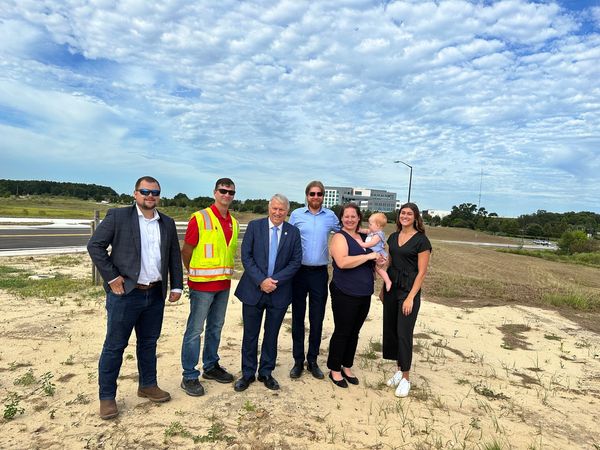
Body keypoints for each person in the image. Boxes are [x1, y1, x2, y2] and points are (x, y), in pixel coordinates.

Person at [87, 176, 183, 420]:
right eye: (145, 191)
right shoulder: (118, 217)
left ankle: (147, 385)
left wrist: (177, 286)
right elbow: (95, 246)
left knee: (149, 343)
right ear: (135, 193)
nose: (150, 196)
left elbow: (173, 256)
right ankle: (107, 397)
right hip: (125, 295)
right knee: (115, 346)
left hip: (155, 293)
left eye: (155, 192)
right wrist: (112, 277)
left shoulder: (167, 223)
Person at [233, 194, 302, 392]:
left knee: (271, 335)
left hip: (279, 292)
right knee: (250, 334)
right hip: (254, 290)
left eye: (282, 209)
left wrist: (274, 281)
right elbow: (245, 256)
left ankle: (266, 372)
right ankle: (247, 373)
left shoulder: (293, 232)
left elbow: (295, 262)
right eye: (275, 208)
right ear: (268, 208)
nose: (278, 212)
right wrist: (261, 281)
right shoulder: (255, 227)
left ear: (287, 211)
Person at [180, 178, 239, 396]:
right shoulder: (200, 218)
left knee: (216, 327)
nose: (227, 195)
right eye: (223, 191)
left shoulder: (233, 222)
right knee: (195, 330)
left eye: (231, 192)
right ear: (215, 192)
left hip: (223, 284)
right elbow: (186, 250)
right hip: (202, 285)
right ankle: (189, 375)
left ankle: (211, 366)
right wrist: (192, 272)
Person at [288, 181, 339, 380]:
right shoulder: (297, 215)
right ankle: (298, 361)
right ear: (306, 195)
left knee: (316, 318)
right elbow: (287, 239)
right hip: (299, 273)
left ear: (323, 196)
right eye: (312, 194)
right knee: (298, 318)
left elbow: (346, 232)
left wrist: (371, 237)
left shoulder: (331, 216)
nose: (315, 197)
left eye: (319, 194)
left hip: (319, 273)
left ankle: (313, 360)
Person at [381, 202, 432, 398]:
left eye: (409, 214)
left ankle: (406, 379)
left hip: (408, 291)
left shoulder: (421, 241)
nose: (405, 216)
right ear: (399, 216)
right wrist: (384, 287)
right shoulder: (393, 237)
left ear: (416, 217)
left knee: (404, 333)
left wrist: (411, 297)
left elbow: (422, 272)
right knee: (392, 331)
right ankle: (398, 370)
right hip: (393, 288)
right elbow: (390, 262)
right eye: (402, 213)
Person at [327, 203, 379, 388]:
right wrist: (368, 257)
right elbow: (342, 262)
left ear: (359, 218)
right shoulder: (339, 237)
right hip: (344, 291)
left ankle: (346, 366)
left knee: (355, 331)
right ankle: (334, 368)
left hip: (364, 291)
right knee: (343, 330)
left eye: (353, 216)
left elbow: (378, 255)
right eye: (346, 216)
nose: (349, 219)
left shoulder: (366, 236)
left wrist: (381, 258)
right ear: (341, 218)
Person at [359, 212, 393, 292]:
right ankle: (373, 276)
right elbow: (366, 231)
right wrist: (359, 230)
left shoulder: (378, 235)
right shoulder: (372, 232)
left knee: (379, 269)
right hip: (373, 254)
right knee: (373, 267)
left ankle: (388, 281)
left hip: (379, 254)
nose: (369, 225)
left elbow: (372, 243)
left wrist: (362, 244)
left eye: (370, 224)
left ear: (377, 225)